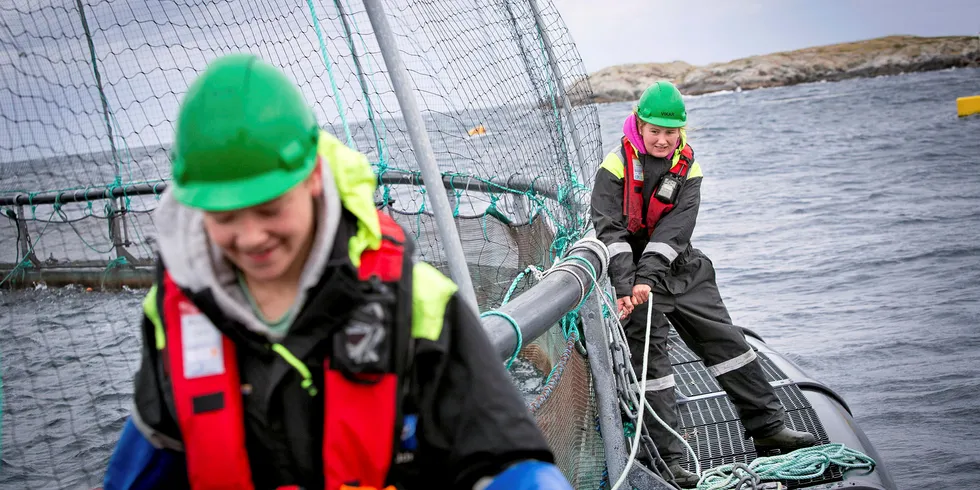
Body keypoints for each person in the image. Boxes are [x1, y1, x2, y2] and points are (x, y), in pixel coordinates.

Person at [101, 53, 572, 490]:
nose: (249, 237)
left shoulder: (417, 302)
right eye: (224, 217)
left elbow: (507, 461)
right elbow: (148, 456)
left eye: (269, 209)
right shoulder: (174, 317)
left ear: (310, 178)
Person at [590, 81, 816, 487]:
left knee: (730, 345)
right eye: (654, 130)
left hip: (684, 270)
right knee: (652, 369)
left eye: (670, 131)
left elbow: (675, 231)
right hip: (635, 279)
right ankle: (668, 461)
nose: (662, 139)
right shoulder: (614, 167)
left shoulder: (688, 167)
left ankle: (768, 427)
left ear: (682, 131)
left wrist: (647, 279)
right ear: (639, 126)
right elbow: (610, 231)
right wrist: (628, 288)